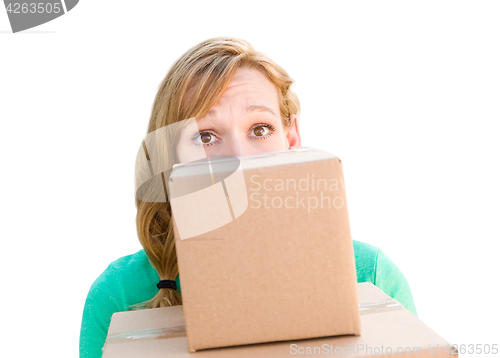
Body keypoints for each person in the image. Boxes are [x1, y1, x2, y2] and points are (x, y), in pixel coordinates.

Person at [79, 37, 417, 358]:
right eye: (206, 135)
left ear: (291, 137)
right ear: (172, 157)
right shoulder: (120, 294)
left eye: (260, 129)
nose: (239, 158)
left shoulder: (369, 276)